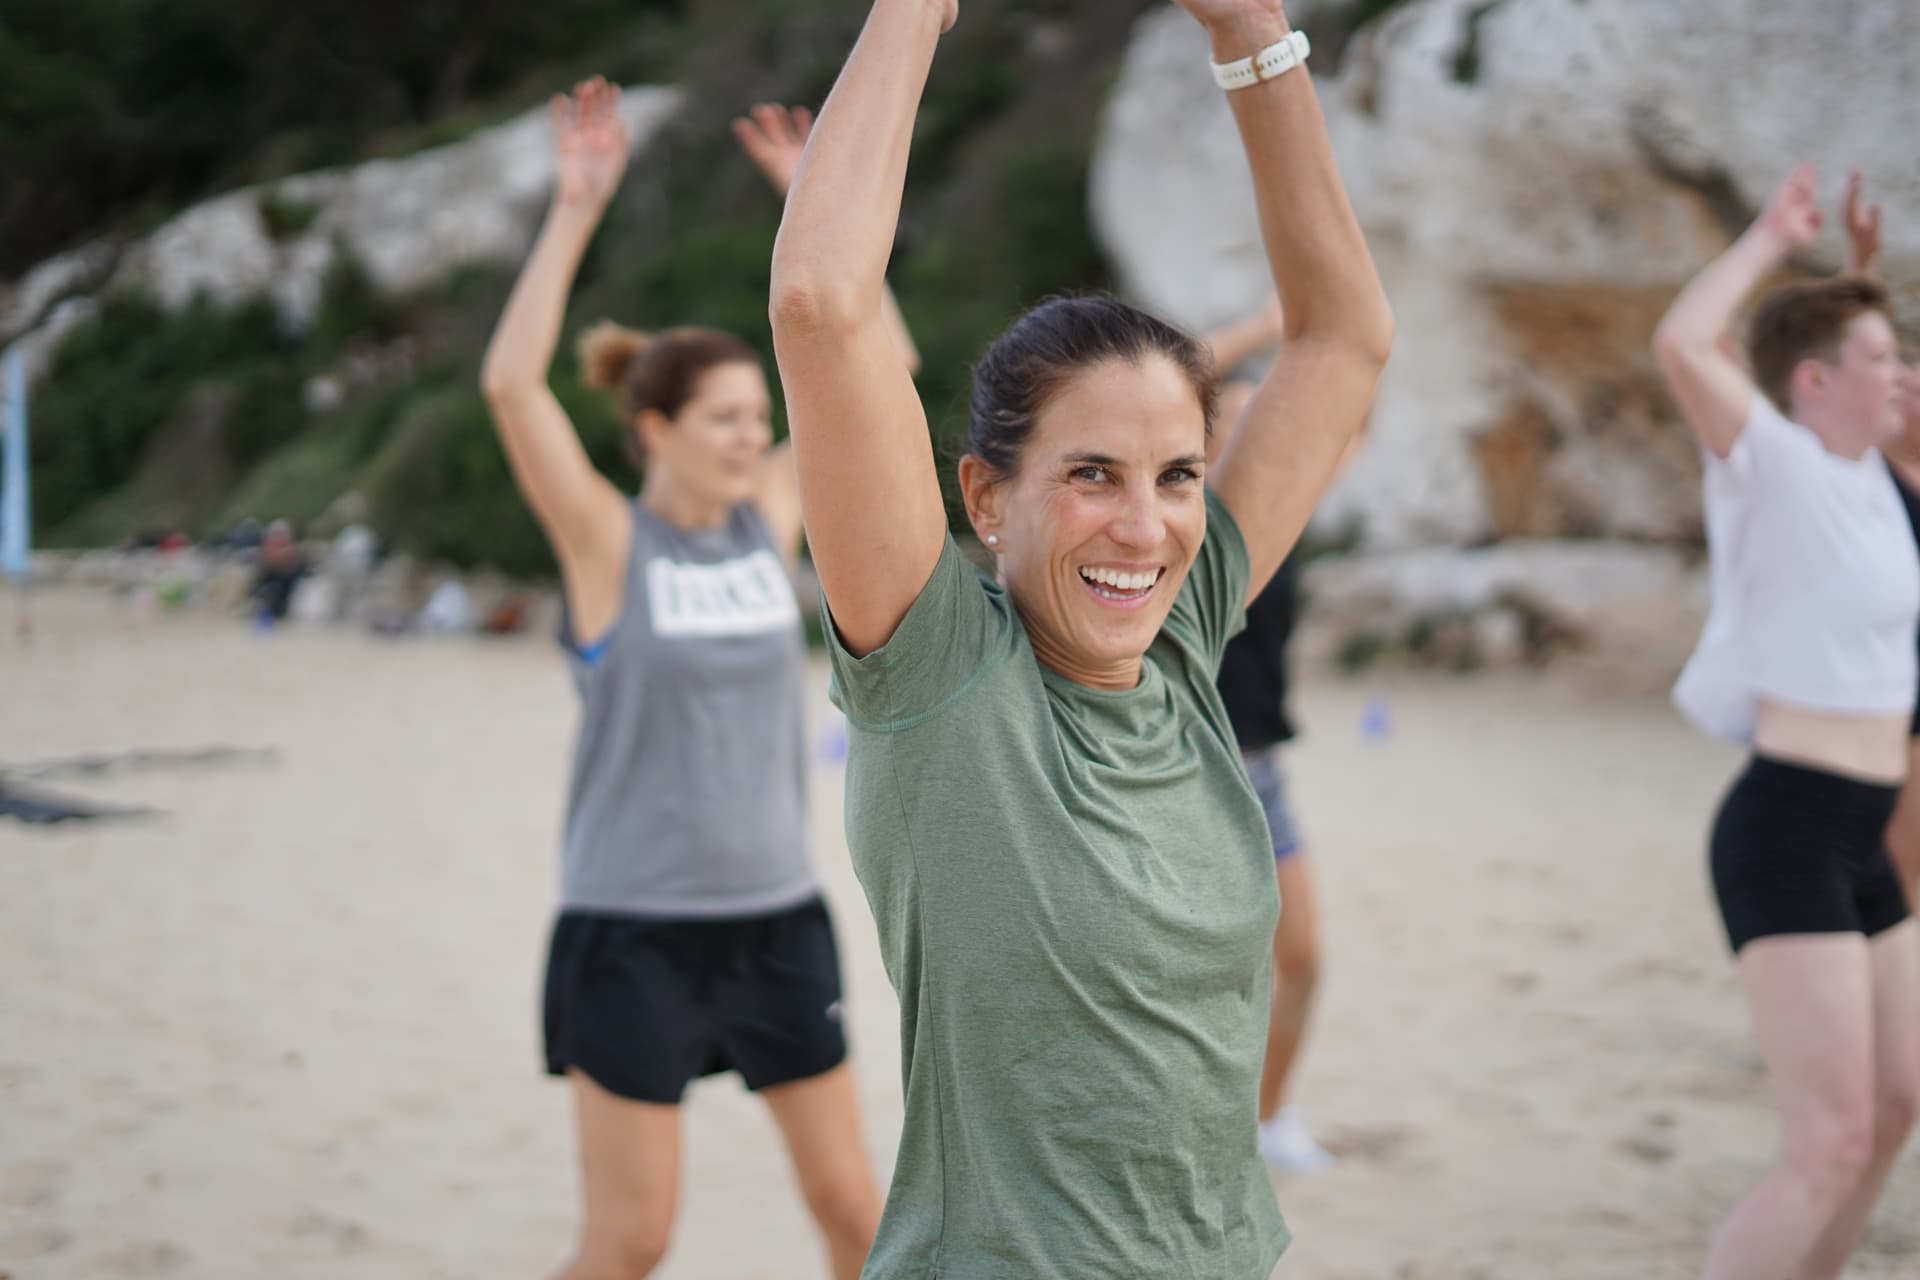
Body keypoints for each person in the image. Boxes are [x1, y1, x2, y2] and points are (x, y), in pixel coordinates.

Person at [769, 1, 1392, 1272]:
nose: (1148, 526)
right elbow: (824, 304)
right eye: (1092, 473)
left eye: (1176, 475)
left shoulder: (1185, 635)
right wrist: (913, 11)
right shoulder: (942, 674)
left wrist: (1250, 31)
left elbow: (1341, 337)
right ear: (987, 498)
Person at [479, 81, 917, 1280]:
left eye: (757, 418)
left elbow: (881, 370)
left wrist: (810, 212)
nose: (750, 439)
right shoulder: (609, 545)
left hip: (777, 918)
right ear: (654, 427)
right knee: (633, 1240)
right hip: (632, 929)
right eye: (724, 419)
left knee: (853, 1209)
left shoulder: (767, 524)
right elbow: (513, 390)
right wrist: (576, 211)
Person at [1652, 164, 1920, 1280]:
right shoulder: (1776, 466)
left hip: (1867, 836)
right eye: (1884, 360)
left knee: (1895, 1108)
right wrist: (1771, 237)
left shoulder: (1875, 485)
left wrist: (1850, 280)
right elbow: (1684, 345)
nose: (1905, 373)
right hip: (1790, 825)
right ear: (1812, 385)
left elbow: (1838, 356)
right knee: (1828, 1137)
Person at [1202, 298, 1334, 1174]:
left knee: (1304, 958)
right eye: (1236, 418)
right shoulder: (1185, 524)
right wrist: (1266, 323)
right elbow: (1181, 362)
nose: (1260, 436)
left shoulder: (1282, 520)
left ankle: (1267, 1119)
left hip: (1261, 771)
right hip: (1186, 773)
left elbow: (1346, 397)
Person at [1839, 171, 1920, 915]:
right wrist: (1859, 272)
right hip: (1892, 698)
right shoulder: (1870, 472)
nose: (1905, 391)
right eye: (1900, 380)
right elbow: (1844, 360)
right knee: (1897, 864)